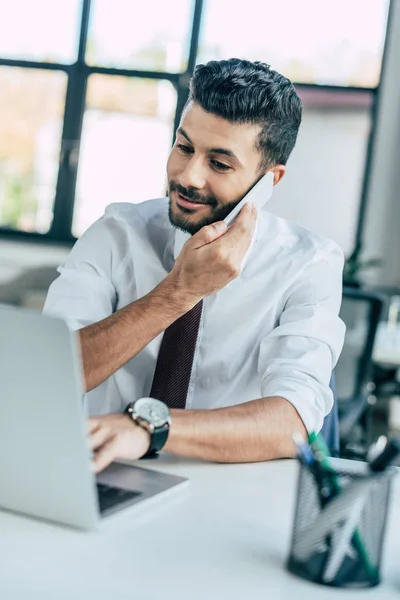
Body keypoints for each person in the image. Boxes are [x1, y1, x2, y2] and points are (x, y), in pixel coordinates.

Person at [44, 58, 345, 473]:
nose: (188, 176)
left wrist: (151, 428)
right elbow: (47, 375)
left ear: (268, 181)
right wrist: (178, 293)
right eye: (184, 147)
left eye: (219, 164)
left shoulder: (309, 262)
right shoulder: (116, 232)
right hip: (101, 474)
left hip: (223, 491)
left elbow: (293, 420)